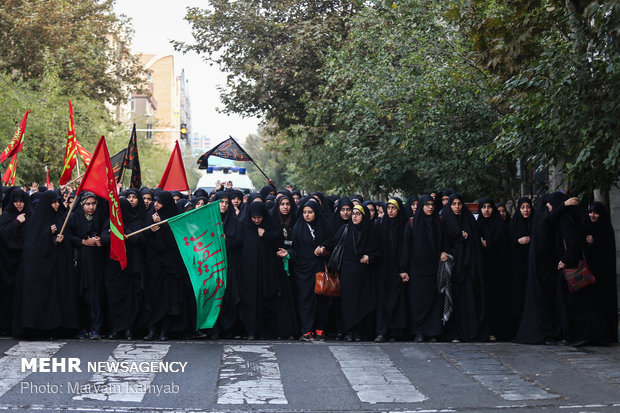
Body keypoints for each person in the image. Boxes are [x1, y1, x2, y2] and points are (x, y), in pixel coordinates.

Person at [15, 190, 79, 338]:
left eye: (58, 202)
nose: (57, 205)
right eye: (54, 202)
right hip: (40, 271)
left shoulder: (60, 218)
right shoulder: (37, 220)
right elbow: (33, 246)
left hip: (57, 269)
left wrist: (59, 240)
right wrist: (47, 235)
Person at [323, 204, 381, 341]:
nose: (354, 216)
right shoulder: (346, 229)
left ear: (364, 216)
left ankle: (360, 332)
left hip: (365, 273)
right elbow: (333, 241)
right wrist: (322, 246)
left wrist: (370, 257)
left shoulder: (371, 231)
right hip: (348, 271)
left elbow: (379, 252)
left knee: (362, 302)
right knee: (348, 302)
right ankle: (348, 331)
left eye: (358, 214)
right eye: (353, 213)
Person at [280, 199, 333, 341]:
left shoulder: (324, 226)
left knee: (320, 300)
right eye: (304, 212)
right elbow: (296, 249)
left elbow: (333, 241)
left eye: (310, 212)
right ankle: (306, 330)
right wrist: (288, 254)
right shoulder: (298, 228)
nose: (307, 215)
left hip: (319, 268)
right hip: (302, 270)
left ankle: (320, 329)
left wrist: (323, 247)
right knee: (305, 300)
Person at [440, 194, 485, 342]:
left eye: (459, 204)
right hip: (452, 269)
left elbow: (474, 245)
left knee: (469, 299)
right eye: (454, 204)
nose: (457, 207)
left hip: (468, 268)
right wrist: (459, 236)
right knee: (453, 300)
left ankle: (470, 331)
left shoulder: (468, 220)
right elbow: (443, 242)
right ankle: (455, 333)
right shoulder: (445, 221)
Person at [104, 189, 145, 340]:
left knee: (129, 300)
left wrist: (125, 233)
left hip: (129, 268)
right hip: (113, 268)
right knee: (114, 298)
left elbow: (138, 238)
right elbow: (103, 238)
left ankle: (128, 329)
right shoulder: (111, 222)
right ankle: (116, 328)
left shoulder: (136, 222)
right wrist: (115, 235)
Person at [401, 195, 444, 342]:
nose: (430, 207)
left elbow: (443, 241)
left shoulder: (438, 222)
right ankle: (418, 331)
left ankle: (432, 332)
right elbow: (406, 247)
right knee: (417, 301)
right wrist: (403, 269)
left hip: (434, 268)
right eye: (427, 204)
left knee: (433, 301)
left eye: (432, 204)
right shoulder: (412, 223)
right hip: (417, 269)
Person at [68, 192, 106, 339]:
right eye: (87, 204)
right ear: (82, 204)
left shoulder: (100, 216)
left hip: (96, 261)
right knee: (81, 293)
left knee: (95, 293)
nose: (91, 207)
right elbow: (67, 236)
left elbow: (108, 230)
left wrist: (100, 239)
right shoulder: (74, 217)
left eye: (93, 204)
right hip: (79, 261)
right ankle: (82, 327)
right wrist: (83, 241)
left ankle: (96, 327)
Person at [477, 197, 512, 341]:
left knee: (498, 300)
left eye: (489, 207)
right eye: (483, 207)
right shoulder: (477, 225)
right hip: (482, 269)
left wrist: (489, 244)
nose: (486, 210)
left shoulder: (500, 225)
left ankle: (498, 331)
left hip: (498, 270)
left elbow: (504, 246)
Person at [584, 202, 618, 343]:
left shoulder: (605, 229)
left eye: (596, 212)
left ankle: (605, 335)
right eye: (591, 212)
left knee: (603, 303)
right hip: (589, 273)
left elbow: (606, 252)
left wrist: (594, 242)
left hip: (603, 275)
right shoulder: (587, 225)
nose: (592, 215)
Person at [375, 198, 408, 342]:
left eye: (393, 208)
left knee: (397, 300)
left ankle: (396, 332)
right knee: (382, 301)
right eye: (388, 208)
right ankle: (382, 331)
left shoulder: (404, 226)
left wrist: (403, 268)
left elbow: (406, 249)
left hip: (398, 269)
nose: (390, 211)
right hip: (383, 269)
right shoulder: (381, 225)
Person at [0, 189, 32, 334]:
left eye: (21, 201)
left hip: (25, 261)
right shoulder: (6, 215)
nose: (18, 204)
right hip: (7, 263)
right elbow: (3, 235)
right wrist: (16, 223)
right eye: (16, 201)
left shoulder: (31, 215)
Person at [509, 198, 533, 338]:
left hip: (531, 265)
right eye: (522, 207)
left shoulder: (534, 223)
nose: (525, 210)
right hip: (517, 268)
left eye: (528, 207)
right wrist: (518, 242)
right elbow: (508, 244)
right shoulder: (514, 225)